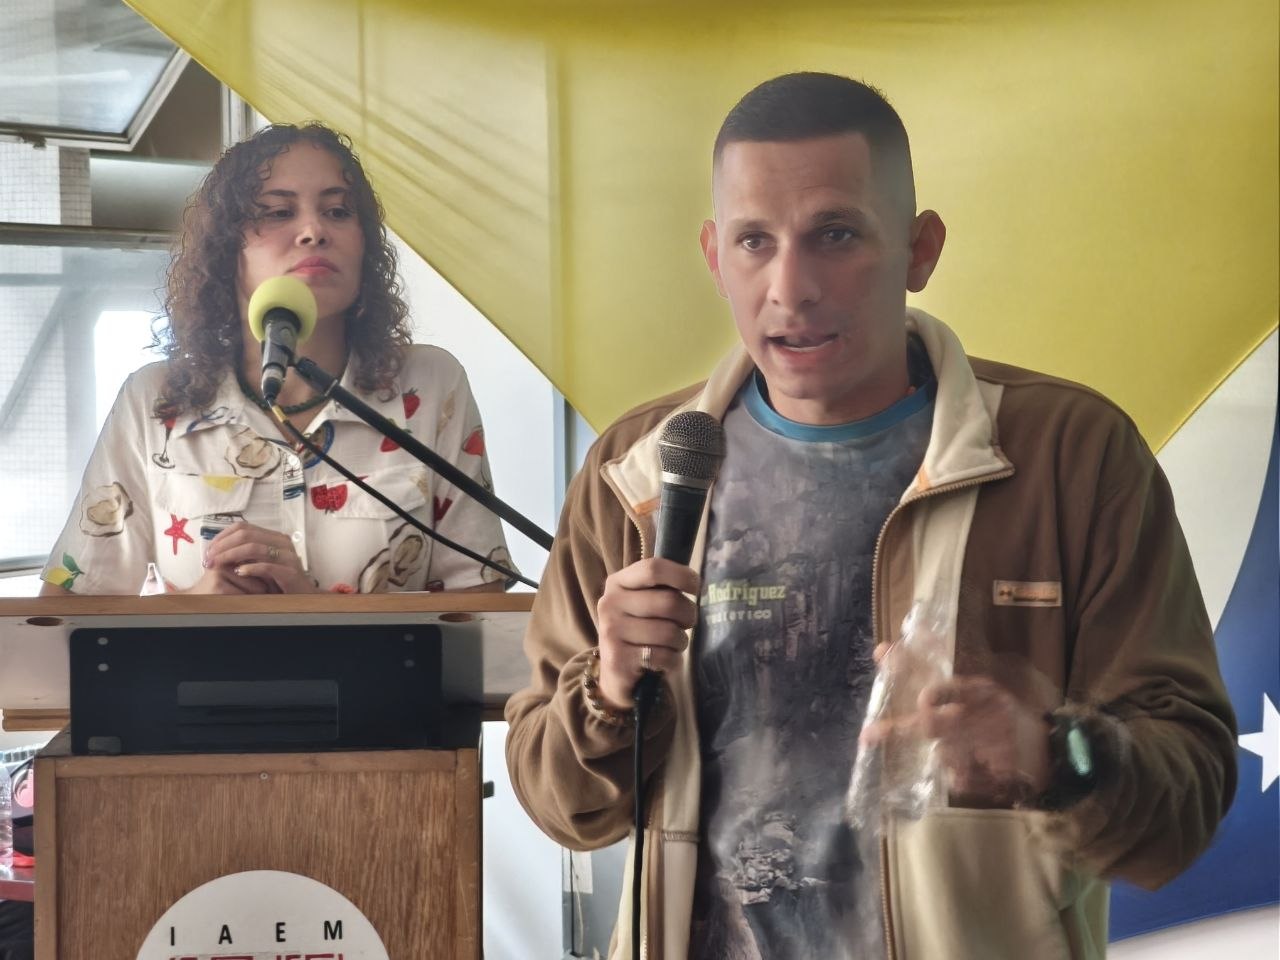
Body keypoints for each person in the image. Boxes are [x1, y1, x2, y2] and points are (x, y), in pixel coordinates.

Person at [505, 72, 1236, 959]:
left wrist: (1053, 756)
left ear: (920, 250)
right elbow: (560, 807)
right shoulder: (640, 471)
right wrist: (611, 689)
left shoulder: (1071, 457)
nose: (791, 287)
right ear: (713, 256)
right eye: (754, 241)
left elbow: (1187, 801)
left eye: (835, 235)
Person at [39, 122, 513, 597]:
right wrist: (196, 609)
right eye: (278, 212)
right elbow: (66, 610)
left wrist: (312, 609)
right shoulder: (155, 399)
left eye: (338, 211)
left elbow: (480, 604)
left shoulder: (430, 384)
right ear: (227, 249)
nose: (313, 231)